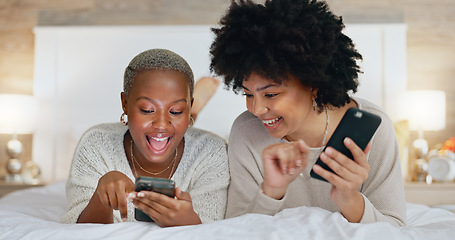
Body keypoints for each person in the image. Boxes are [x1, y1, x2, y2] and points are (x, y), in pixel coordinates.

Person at [209, 0, 406, 226]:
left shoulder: (375, 127)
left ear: (313, 84)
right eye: (248, 95)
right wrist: (271, 191)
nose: (257, 109)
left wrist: (349, 198)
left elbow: (395, 228)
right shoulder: (246, 133)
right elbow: (234, 231)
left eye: (271, 94)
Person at [62, 49, 229, 227]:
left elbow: (214, 228)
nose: (161, 124)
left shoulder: (211, 151)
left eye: (176, 111)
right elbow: (78, 230)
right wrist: (101, 199)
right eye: (147, 110)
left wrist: (191, 223)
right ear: (124, 103)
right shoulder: (96, 144)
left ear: (189, 104)